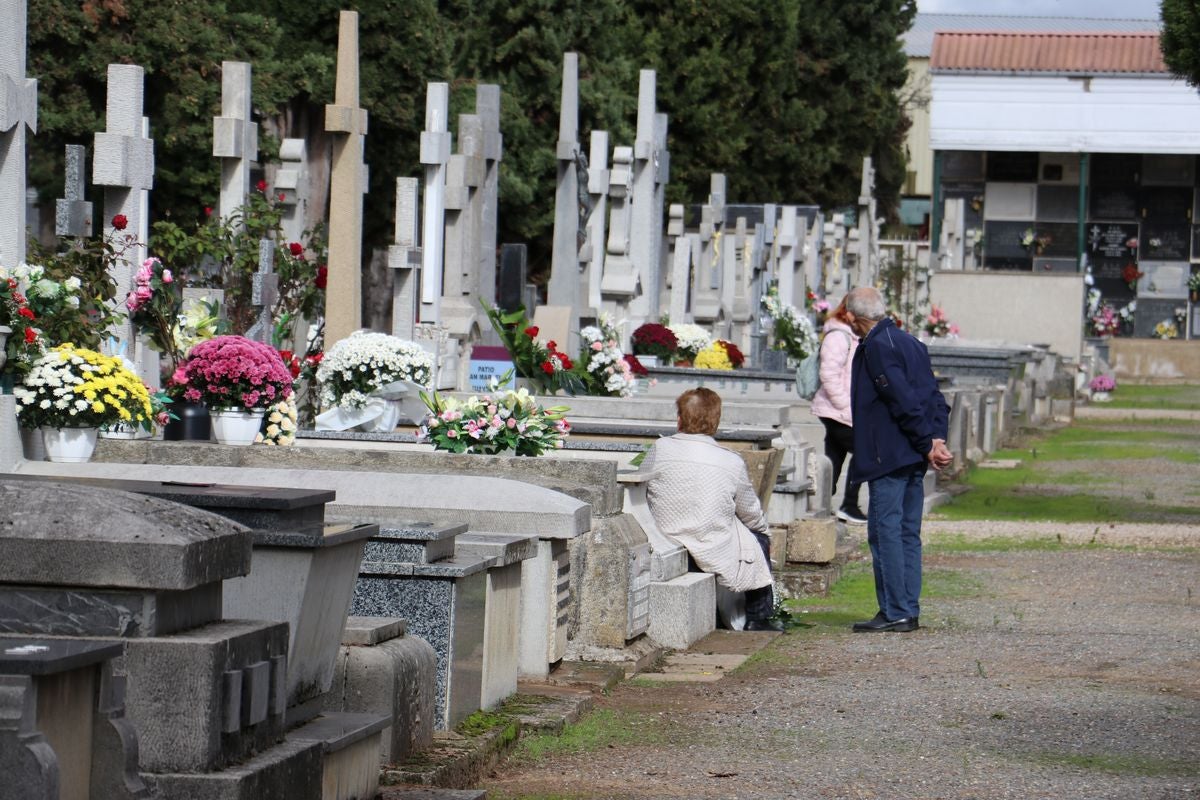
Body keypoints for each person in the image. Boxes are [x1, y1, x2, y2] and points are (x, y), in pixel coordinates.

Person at [845, 287, 952, 633]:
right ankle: (906, 607)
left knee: (885, 531)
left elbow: (902, 399)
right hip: (912, 452)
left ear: (853, 317)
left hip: (889, 453)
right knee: (907, 532)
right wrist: (935, 439)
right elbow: (933, 396)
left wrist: (927, 442)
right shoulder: (909, 342)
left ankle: (896, 610)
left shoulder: (876, 347)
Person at [639, 388, 782, 632]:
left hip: (666, 536)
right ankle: (758, 617)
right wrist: (762, 531)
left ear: (679, 419)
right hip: (711, 544)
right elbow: (750, 511)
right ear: (715, 421)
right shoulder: (730, 460)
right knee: (758, 539)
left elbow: (642, 486)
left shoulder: (660, 449)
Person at [810, 296, 866, 525]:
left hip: (838, 409)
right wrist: (845, 405)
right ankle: (849, 505)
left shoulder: (850, 335)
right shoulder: (839, 336)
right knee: (865, 452)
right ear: (850, 313)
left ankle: (822, 502)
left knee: (834, 456)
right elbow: (829, 374)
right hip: (837, 410)